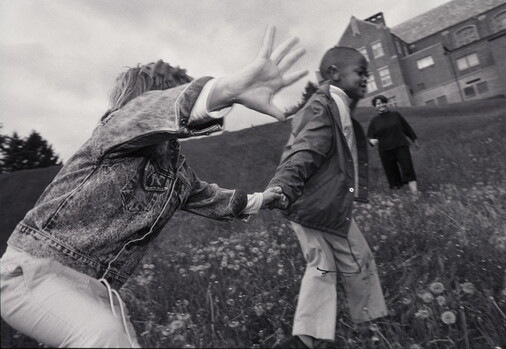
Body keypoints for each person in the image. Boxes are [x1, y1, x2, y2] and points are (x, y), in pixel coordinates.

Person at [0, 26, 308, 348]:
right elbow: (154, 112)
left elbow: (215, 199)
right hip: (35, 271)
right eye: (172, 95)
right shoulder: (114, 131)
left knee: (121, 340)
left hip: (97, 290)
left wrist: (262, 200)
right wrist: (227, 89)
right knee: (103, 337)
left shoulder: (178, 173)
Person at [267, 47, 388, 349]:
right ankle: (362, 327)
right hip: (311, 203)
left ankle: (313, 337)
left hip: (318, 203)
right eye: (360, 72)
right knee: (346, 259)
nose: (366, 79)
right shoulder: (325, 105)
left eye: (367, 75)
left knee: (329, 263)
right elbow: (306, 148)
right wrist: (284, 186)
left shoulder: (338, 105)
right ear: (334, 73)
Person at [367, 94, 420, 195]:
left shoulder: (396, 115)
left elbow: (407, 128)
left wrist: (414, 140)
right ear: (375, 106)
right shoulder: (374, 121)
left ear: (386, 104)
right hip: (385, 150)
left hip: (401, 146)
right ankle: (399, 196)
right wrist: (372, 141)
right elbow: (370, 137)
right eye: (378, 104)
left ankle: (415, 193)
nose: (381, 105)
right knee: (392, 173)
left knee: (407, 168)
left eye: (383, 102)